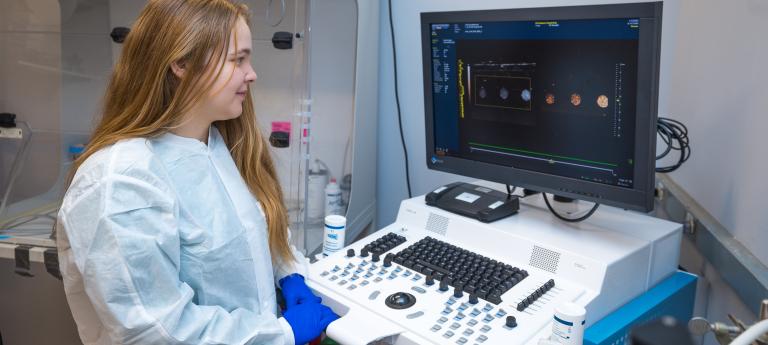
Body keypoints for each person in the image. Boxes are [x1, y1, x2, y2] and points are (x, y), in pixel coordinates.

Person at [55, 0, 338, 344]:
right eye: (238, 60)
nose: (252, 73)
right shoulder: (119, 180)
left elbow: (253, 232)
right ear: (182, 64)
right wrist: (282, 333)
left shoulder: (222, 145)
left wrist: (287, 274)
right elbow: (152, 331)